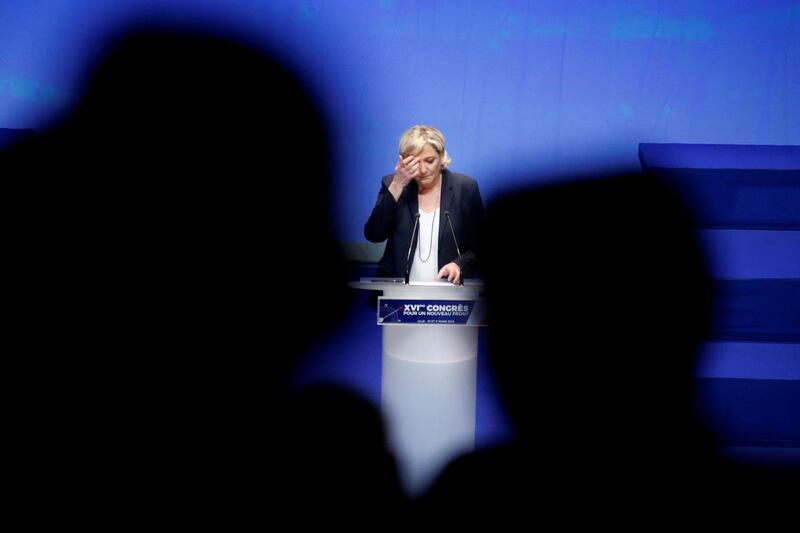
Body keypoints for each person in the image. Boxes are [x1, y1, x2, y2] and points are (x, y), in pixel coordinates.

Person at [364, 125, 485, 284]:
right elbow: (374, 234)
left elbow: (481, 246)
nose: (422, 170)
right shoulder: (393, 185)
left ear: (441, 156)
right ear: (403, 160)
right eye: (414, 162)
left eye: (429, 161)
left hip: (449, 296)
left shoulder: (465, 188)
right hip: (397, 296)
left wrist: (459, 265)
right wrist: (396, 186)